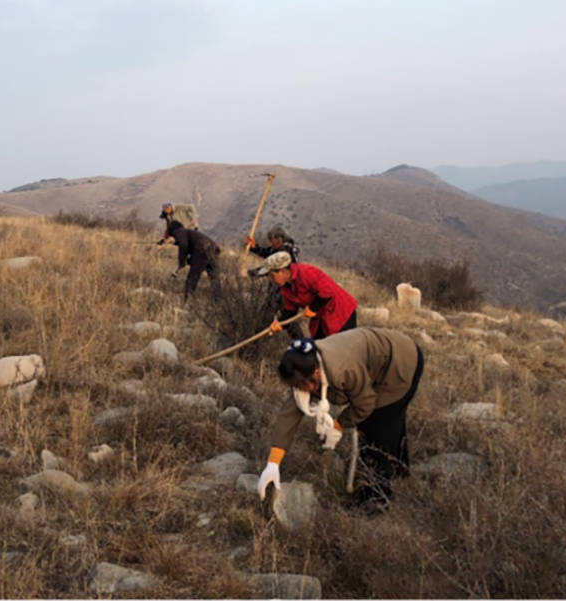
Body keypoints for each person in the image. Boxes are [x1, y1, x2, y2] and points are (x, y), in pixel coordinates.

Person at [257, 330, 424, 514]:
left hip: (401, 362)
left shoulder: (341, 368)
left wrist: (339, 424)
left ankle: (378, 497)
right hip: (378, 363)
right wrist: (273, 463)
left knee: (376, 426)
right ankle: (400, 470)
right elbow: (289, 415)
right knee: (388, 421)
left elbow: (364, 403)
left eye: (301, 386)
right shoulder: (304, 369)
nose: (300, 390)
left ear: (317, 372)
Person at [253, 251, 357, 339]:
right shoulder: (286, 288)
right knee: (319, 349)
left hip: (341, 313)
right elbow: (290, 311)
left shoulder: (305, 272)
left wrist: (312, 308)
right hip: (321, 318)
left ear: (283, 271)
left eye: (272, 276)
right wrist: (279, 324)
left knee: (341, 349)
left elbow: (327, 292)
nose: (271, 280)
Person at [165, 220, 220, 299]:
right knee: (214, 278)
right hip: (214, 248)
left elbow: (183, 244)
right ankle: (218, 301)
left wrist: (181, 262)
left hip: (202, 248)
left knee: (192, 278)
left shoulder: (179, 231)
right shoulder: (188, 233)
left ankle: (187, 300)